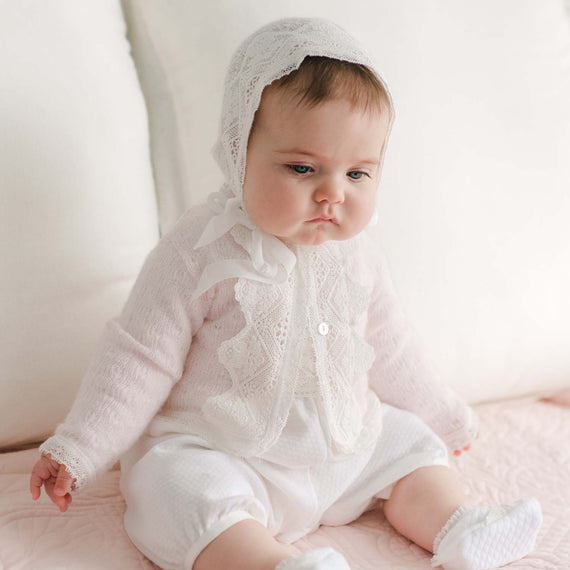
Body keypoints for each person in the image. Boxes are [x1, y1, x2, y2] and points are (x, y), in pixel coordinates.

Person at [29, 17, 542, 570]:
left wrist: (443, 415)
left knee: (410, 443)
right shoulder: (198, 251)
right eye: (303, 167)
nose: (332, 193)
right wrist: (79, 449)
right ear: (238, 150)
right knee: (167, 484)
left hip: (343, 448)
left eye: (358, 174)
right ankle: (269, 563)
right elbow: (137, 356)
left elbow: (393, 348)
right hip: (228, 454)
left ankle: (459, 527)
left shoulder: (360, 256)